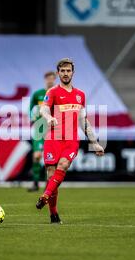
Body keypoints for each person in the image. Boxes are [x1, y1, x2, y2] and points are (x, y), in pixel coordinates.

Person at [35, 58, 105, 224]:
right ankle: (53, 213)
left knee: (63, 166)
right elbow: (44, 109)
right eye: (62, 71)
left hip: (71, 140)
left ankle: (45, 196)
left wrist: (94, 142)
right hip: (53, 138)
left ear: (73, 72)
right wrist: (49, 117)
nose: (65, 74)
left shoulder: (80, 95)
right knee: (51, 175)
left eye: (68, 71)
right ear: (58, 73)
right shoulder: (52, 92)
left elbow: (83, 120)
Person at [28, 71, 56, 192]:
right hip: (40, 128)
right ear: (45, 79)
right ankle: (35, 182)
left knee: (49, 158)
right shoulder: (38, 94)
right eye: (48, 78)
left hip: (52, 128)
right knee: (37, 155)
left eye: (52, 78)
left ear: (55, 79)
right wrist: (32, 117)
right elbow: (30, 108)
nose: (50, 80)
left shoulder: (57, 93)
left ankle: (47, 184)